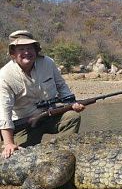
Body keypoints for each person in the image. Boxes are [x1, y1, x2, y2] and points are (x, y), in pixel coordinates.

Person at [0, 30, 85, 158]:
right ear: (13, 53)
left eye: (30, 48)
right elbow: (4, 111)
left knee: (72, 117)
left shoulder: (48, 63)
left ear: (36, 50)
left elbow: (61, 86)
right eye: (21, 49)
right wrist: (8, 143)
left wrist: (71, 103)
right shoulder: (5, 75)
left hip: (50, 115)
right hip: (25, 125)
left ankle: (60, 154)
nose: (27, 52)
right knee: (17, 155)